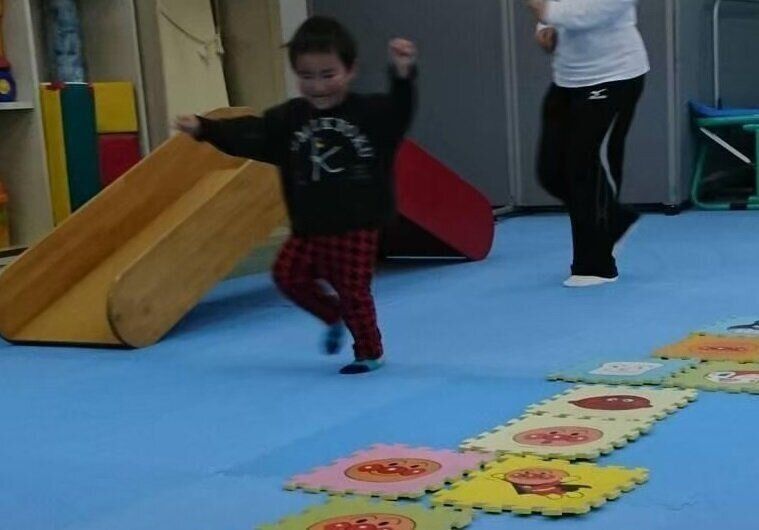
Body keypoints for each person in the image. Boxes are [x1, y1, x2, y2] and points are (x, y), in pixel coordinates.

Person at [175, 16, 417, 373]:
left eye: (328, 75)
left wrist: (402, 73)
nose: (318, 86)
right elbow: (250, 134)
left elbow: (399, 113)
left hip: (357, 222)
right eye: (307, 76)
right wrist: (205, 129)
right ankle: (331, 315)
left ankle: (369, 352)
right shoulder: (289, 120)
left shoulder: (368, 114)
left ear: (350, 70)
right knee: (287, 275)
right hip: (310, 224)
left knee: (353, 290)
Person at [527, 0, 649, 287]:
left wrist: (545, 11)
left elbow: (586, 13)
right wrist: (545, 27)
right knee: (551, 171)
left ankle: (596, 265)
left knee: (586, 167)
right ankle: (614, 220)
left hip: (614, 77)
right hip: (568, 79)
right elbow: (555, 9)